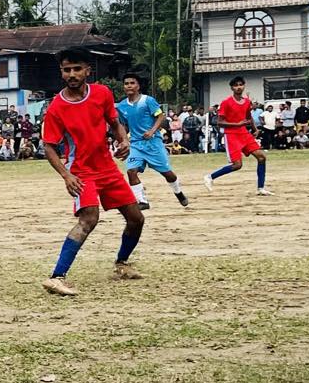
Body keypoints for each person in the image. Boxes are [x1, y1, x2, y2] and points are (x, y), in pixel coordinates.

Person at [38, 50, 145, 297]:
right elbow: (49, 146)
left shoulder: (102, 93)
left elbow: (114, 121)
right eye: (67, 70)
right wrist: (67, 175)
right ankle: (56, 277)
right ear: (62, 73)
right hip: (82, 172)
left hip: (107, 168)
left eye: (77, 68)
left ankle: (122, 265)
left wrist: (124, 140)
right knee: (89, 219)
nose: (72, 74)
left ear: (88, 70)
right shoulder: (56, 108)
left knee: (136, 218)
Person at [116, 70, 188, 209]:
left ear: (138, 86)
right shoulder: (122, 106)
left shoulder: (147, 100)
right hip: (136, 144)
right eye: (126, 84)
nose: (129, 86)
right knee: (131, 171)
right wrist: (122, 140)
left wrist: (152, 131)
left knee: (168, 174)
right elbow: (123, 126)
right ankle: (142, 201)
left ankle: (178, 192)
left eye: (132, 83)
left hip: (153, 143)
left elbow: (160, 116)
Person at [203, 76, 270, 196]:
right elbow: (219, 122)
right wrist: (237, 124)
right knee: (237, 165)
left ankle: (261, 188)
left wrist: (255, 129)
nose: (239, 87)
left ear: (244, 86)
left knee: (261, 157)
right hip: (231, 135)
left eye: (241, 84)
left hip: (244, 133)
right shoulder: (226, 103)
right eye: (236, 85)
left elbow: (248, 117)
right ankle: (210, 177)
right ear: (232, 88)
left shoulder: (247, 102)